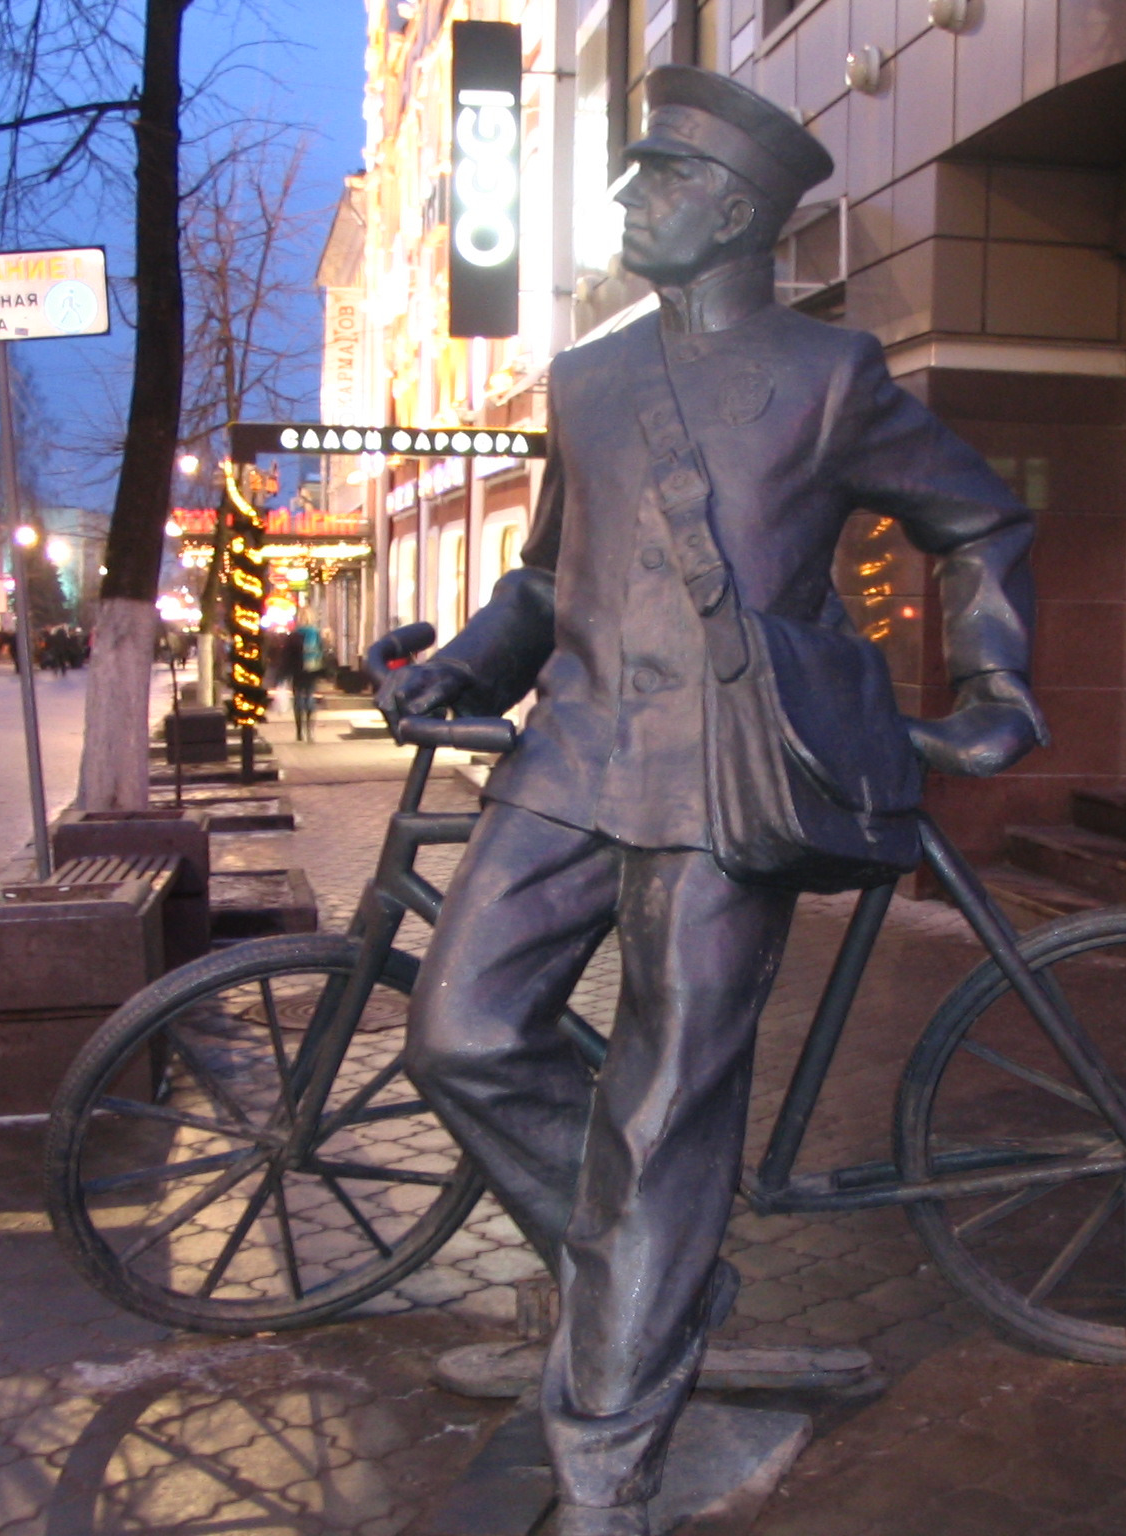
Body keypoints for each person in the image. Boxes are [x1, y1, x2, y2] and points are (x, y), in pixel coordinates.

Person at [374, 67, 1043, 1536]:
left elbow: (981, 518)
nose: (626, 200)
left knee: (666, 1116)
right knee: (461, 1033)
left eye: (655, 178)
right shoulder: (588, 379)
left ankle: (608, 1453)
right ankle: (655, 1271)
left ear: (731, 211)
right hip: (573, 761)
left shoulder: (833, 379)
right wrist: (468, 673)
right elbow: (552, 575)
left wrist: (998, 686)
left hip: (732, 782)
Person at [288, 618, 326, 741]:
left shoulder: (294, 634)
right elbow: (321, 652)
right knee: (309, 697)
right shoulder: (315, 633)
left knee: (298, 698)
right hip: (311, 669)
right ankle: (310, 732)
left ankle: (299, 733)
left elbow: (287, 654)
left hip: (297, 670)